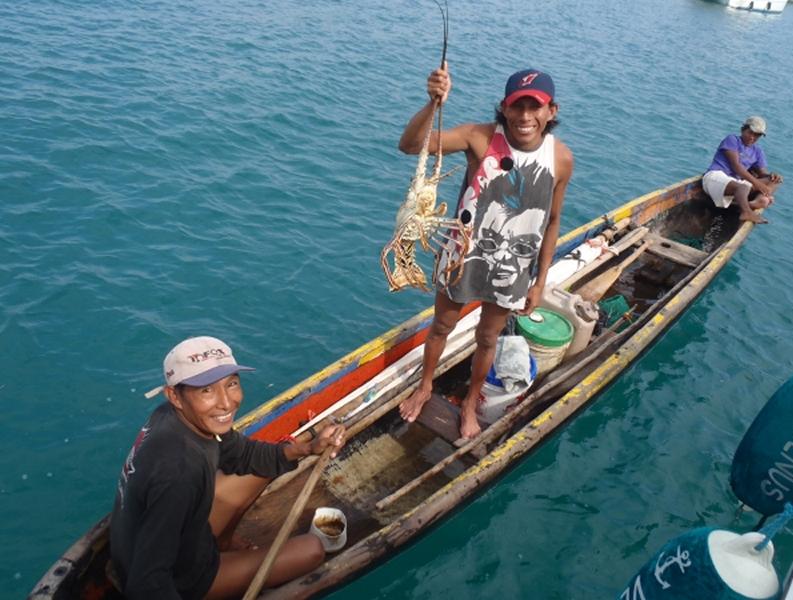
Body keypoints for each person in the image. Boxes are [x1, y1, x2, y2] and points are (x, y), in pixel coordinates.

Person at [398, 65, 573, 439]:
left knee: (488, 338)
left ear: (550, 111)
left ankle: (471, 401)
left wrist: (540, 282)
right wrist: (432, 103)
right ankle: (425, 385)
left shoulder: (561, 159)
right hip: (463, 256)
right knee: (441, 326)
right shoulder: (479, 137)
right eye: (517, 107)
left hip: (514, 266)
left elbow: (553, 222)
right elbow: (412, 146)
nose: (525, 116)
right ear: (505, 108)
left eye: (535, 107)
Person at [109, 336, 345, 599]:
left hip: (166, 540)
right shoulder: (178, 474)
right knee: (312, 549)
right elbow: (146, 583)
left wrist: (308, 448)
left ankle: (221, 544)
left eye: (231, 384)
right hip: (181, 578)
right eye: (206, 391)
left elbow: (242, 454)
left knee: (263, 467)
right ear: (174, 395)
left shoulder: (172, 416)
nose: (226, 402)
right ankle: (221, 567)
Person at [702, 115, 783, 224]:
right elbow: (737, 167)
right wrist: (757, 184)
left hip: (736, 184)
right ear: (743, 129)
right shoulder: (732, 140)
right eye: (750, 133)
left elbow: (763, 174)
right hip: (715, 178)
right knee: (743, 187)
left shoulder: (757, 151)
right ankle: (747, 212)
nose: (752, 137)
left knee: (775, 181)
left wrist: (772, 176)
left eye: (757, 136)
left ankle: (755, 202)